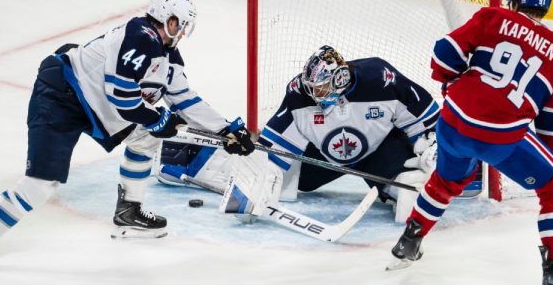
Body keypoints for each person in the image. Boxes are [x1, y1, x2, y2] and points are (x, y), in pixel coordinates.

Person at [0, 0, 254, 275]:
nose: (181, 31)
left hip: (96, 108)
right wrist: (158, 121)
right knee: (40, 184)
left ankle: (128, 213)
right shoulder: (140, 34)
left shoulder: (168, 57)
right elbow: (122, 98)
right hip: (61, 96)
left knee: (145, 137)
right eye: (178, 24)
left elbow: (186, 99)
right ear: (165, 18)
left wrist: (227, 130)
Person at [387, 0, 553, 285]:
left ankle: (408, 242)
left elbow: (443, 54)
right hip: (499, 137)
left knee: (447, 179)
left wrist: (451, 83)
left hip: (452, 122)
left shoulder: (491, 17)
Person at [155, 45, 450, 222]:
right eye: (311, 86)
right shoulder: (300, 95)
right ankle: (187, 158)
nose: (313, 93)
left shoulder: (381, 79)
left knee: (410, 182)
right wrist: (257, 183)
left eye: (320, 87)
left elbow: (426, 119)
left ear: (340, 79)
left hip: (380, 153)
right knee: (293, 181)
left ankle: (453, 177)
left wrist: (430, 149)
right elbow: (272, 147)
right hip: (324, 159)